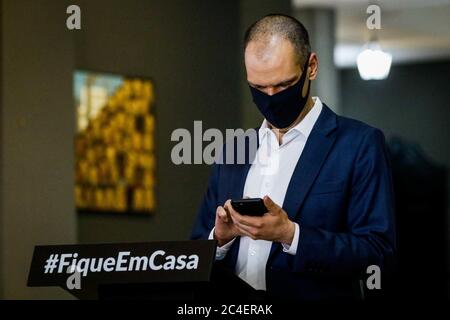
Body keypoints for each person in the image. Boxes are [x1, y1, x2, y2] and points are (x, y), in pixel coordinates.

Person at [191, 14, 396, 300]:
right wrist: (221, 239)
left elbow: (376, 254)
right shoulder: (234, 149)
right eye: (259, 88)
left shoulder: (359, 144)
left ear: (311, 67)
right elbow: (195, 250)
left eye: (284, 85)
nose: (271, 96)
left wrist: (291, 234)